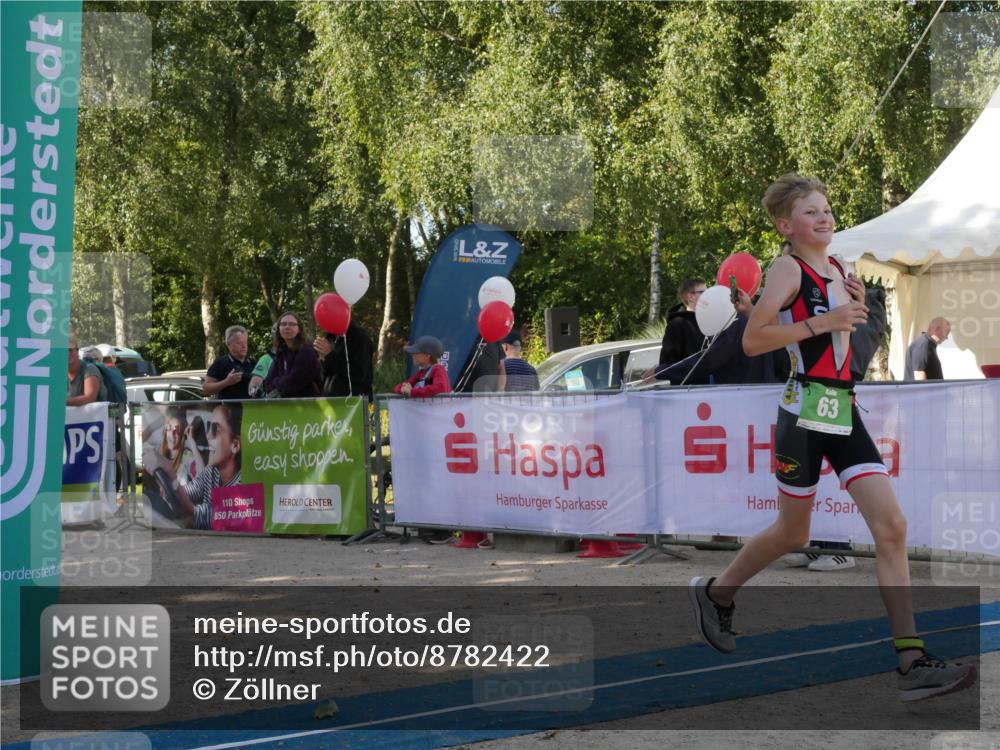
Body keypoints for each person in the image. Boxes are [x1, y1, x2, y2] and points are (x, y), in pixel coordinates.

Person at [688, 174, 976, 701]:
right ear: (786, 226)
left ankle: (910, 663)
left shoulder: (840, 268)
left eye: (826, 209)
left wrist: (855, 313)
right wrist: (827, 323)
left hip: (843, 407)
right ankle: (716, 593)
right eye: (811, 213)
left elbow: (845, 338)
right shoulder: (786, 268)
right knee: (794, 534)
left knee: (891, 528)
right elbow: (754, 340)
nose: (824, 218)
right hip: (803, 413)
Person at [147, 402, 242, 530]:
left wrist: (170, 473)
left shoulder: (242, 485)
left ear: (235, 445)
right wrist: (169, 486)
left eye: (216, 429)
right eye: (208, 427)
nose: (208, 435)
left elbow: (199, 514)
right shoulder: (211, 472)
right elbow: (189, 492)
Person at [657, 278, 708, 378]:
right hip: (687, 390)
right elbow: (667, 365)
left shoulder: (710, 320)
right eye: (703, 292)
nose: (708, 296)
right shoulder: (677, 324)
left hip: (714, 388)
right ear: (691, 297)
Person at [263, 312, 321, 398]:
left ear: (299, 329)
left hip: (308, 406)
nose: (287, 327)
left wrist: (276, 382)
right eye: (283, 324)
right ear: (279, 329)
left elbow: (293, 383)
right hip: (286, 406)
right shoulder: (281, 352)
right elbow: (267, 383)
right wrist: (281, 382)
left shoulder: (307, 351)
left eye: (292, 324)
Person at [314, 319, 374, 398]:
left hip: (354, 402)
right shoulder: (332, 336)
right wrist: (323, 358)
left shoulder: (359, 337)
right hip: (331, 400)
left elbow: (358, 373)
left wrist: (329, 355)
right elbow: (329, 372)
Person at [203, 325, 257, 399]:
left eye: (245, 342)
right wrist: (227, 382)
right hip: (229, 409)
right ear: (228, 344)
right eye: (239, 343)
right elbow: (206, 389)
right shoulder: (221, 363)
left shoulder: (252, 363)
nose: (244, 346)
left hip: (251, 408)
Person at [67, 334, 107, 406]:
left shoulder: (89, 369)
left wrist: (60, 402)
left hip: (96, 416)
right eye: (62, 351)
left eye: (70, 350)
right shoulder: (59, 373)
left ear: (77, 351)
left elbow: (89, 398)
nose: (67, 353)